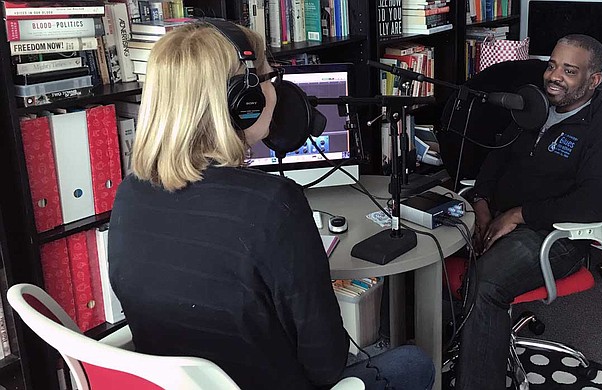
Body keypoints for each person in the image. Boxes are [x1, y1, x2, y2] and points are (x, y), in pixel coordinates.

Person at [107, 21, 435, 390]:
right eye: (267, 77)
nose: (277, 92)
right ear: (243, 101)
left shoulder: (128, 193)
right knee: (413, 363)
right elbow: (327, 364)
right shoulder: (273, 205)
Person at [454, 34, 602, 389]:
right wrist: (480, 203)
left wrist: (519, 215)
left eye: (569, 71)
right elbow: (496, 158)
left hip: (558, 238)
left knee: (484, 284)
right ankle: (459, 347)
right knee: (425, 247)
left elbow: (594, 206)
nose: (554, 76)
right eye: (552, 65)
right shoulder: (533, 108)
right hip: (498, 217)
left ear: (593, 80)